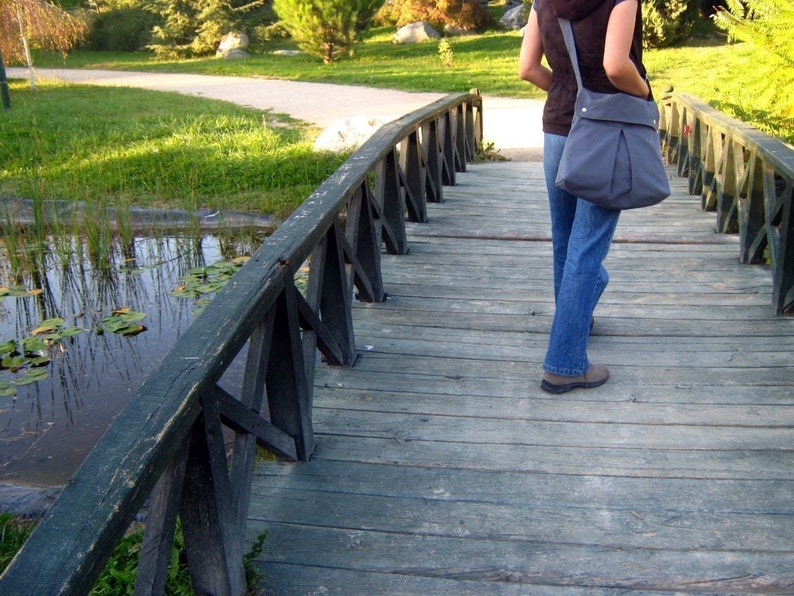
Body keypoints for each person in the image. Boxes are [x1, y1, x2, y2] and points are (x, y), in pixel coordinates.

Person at [518, 0, 652, 393]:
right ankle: (565, 363)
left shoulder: (541, 2)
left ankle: (574, 321)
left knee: (566, 240)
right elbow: (615, 65)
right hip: (605, 133)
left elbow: (526, 68)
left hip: (558, 131)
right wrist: (645, 96)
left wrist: (569, 95)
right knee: (587, 249)